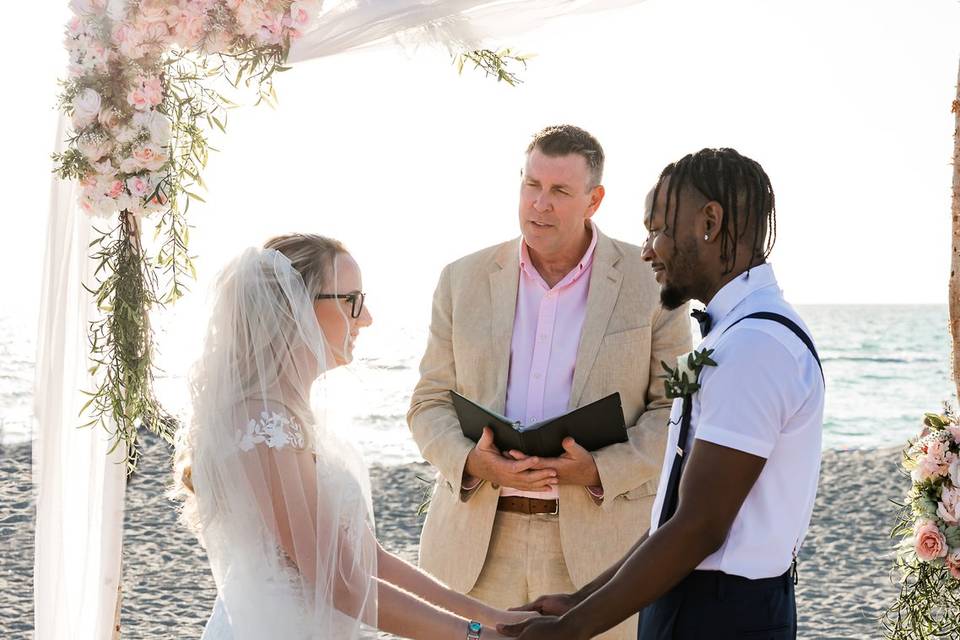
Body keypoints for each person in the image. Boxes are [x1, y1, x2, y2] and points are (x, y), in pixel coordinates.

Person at [500, 148, 824, 640]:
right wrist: (577, 600)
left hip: (722, 618)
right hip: (693, 601)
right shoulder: (736, 335)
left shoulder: (754, 346)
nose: (648, 250)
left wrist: (570, 630)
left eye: (657, 230)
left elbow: (699, 527)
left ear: (709, 223)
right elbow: (674, 515)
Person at [407, 125, 693, 640]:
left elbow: (674, 411)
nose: (539, 204)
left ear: (594, 199)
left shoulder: (651, 279)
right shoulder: (461, 279)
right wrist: (471, 460)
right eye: (531, 185)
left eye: (560, 191)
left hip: (598, 558)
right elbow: (428, 403)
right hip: (474, 549)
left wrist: (599, 470)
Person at [172, 233, 531, 639]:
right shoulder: (263, 424)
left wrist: (496, 618)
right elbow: (341, 582)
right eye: (352, 301)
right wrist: (477, 637)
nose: (366, 318)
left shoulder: (294, 417)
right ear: (297, 307)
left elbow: (369, 559)